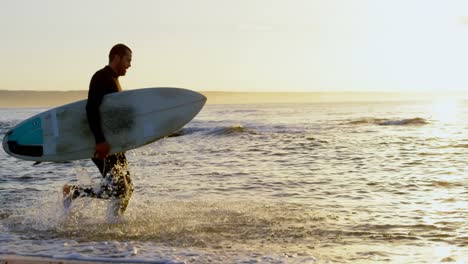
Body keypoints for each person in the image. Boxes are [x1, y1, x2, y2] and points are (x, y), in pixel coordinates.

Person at [63, 44, 134, 218]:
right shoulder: (101, 77)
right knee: (120, 189)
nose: (129, 65)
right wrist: (100, 141)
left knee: (127, 188)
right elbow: (91, 109)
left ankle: (112, 220)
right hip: (101, 144)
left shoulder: (114, 80)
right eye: (128, 60)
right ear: (116, 57)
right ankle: (110, 223)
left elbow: (111, 115)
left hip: (112, 145)